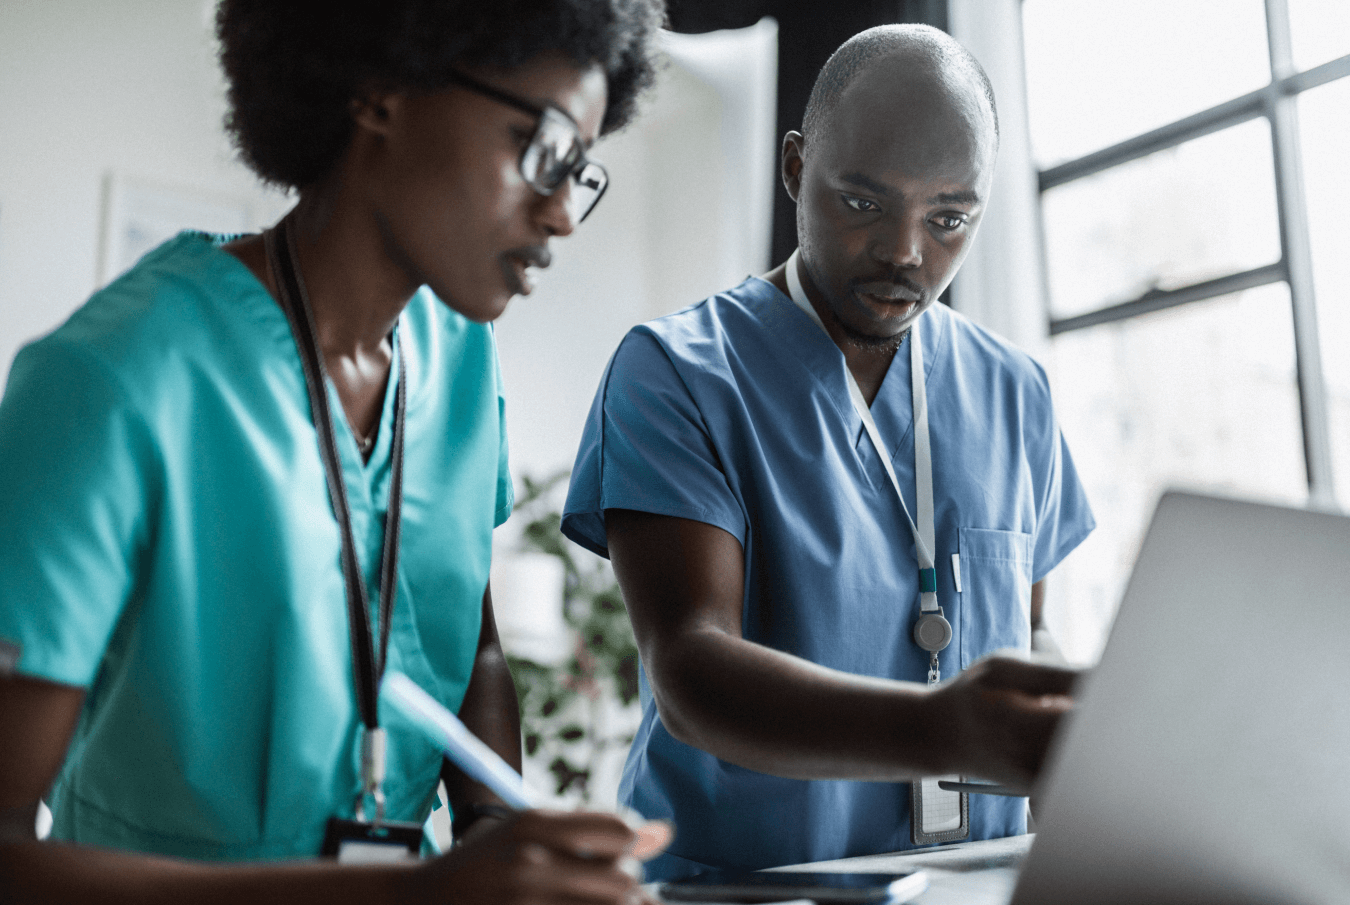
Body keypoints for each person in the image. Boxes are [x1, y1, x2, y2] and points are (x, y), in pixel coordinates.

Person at [0, 1, 670, 902]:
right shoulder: (113, 380)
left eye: (581, 171)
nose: (562, 215)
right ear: (382, 88)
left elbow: (468, 648)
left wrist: (504, 840)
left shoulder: (460, 357)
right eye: (541, 146)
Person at [561, 24, 1095, 878]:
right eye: (863, 201)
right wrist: (946, 727)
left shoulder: (1016, 391)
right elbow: (690, 665)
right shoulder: (677, 373)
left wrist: (1087, 727)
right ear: (795, 169)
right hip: (740, 890)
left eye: (950, 217)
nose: (906, 251)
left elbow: (1027, 632)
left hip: (973, 881)